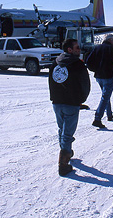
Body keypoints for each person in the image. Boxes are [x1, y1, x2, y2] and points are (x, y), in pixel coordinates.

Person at [49, 39, 90, 176]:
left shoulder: (55, 62)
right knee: (67, 133)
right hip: (71, 103)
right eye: (77, 48)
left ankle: (66, 151)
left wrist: (54, 97)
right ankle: (63, 164)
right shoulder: (78, 64)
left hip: (57, 102)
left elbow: (51, 81)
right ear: (69, 50)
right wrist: (80, 100)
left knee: (62, 129)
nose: (79, 49)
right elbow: (85, 85)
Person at [86, 34, 113, 128]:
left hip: (99, 77)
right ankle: (97, 118)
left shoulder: (97, 48)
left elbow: (88, 62)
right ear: (110, 40)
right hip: (109, 77)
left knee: (105, 95)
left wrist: (96, 70)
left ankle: (109, 115)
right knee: (105, 97)